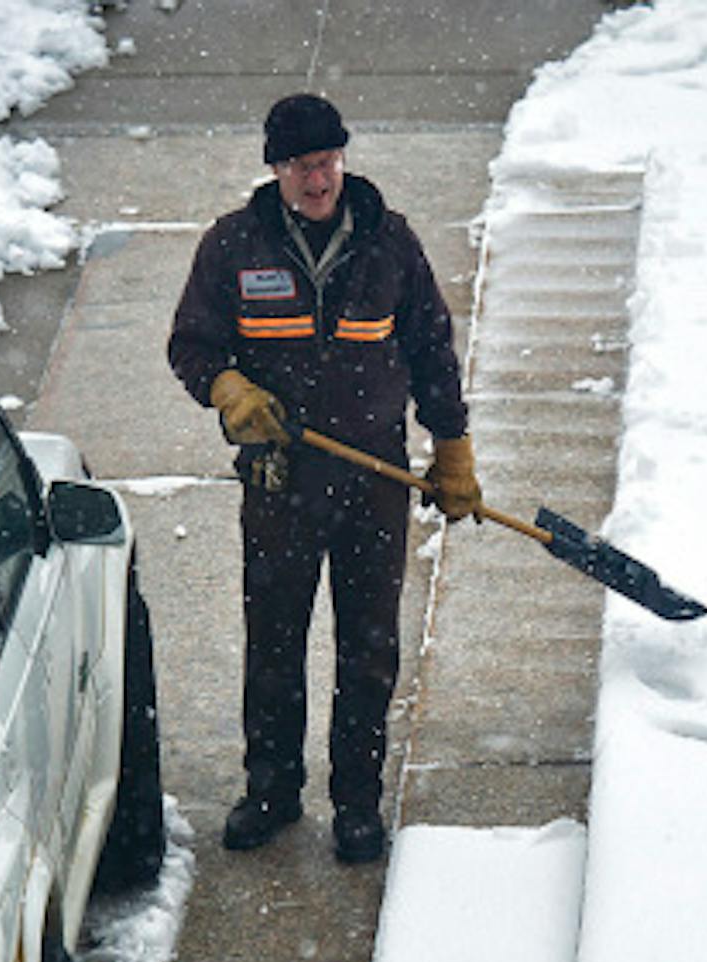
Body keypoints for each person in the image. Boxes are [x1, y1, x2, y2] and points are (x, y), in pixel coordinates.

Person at [169, 93, 481, 864]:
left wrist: (453, 450)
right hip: (280, 482)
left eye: (330, 161)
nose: (320, 180)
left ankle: (356, 803)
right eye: (304, 166)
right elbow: (192, 344)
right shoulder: (234, 248)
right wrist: (229, 391)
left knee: (368, 649)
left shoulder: (388, 242)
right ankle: (271, 791)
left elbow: (433, 351)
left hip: (374, 477)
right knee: (274, 642)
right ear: (276, 169)